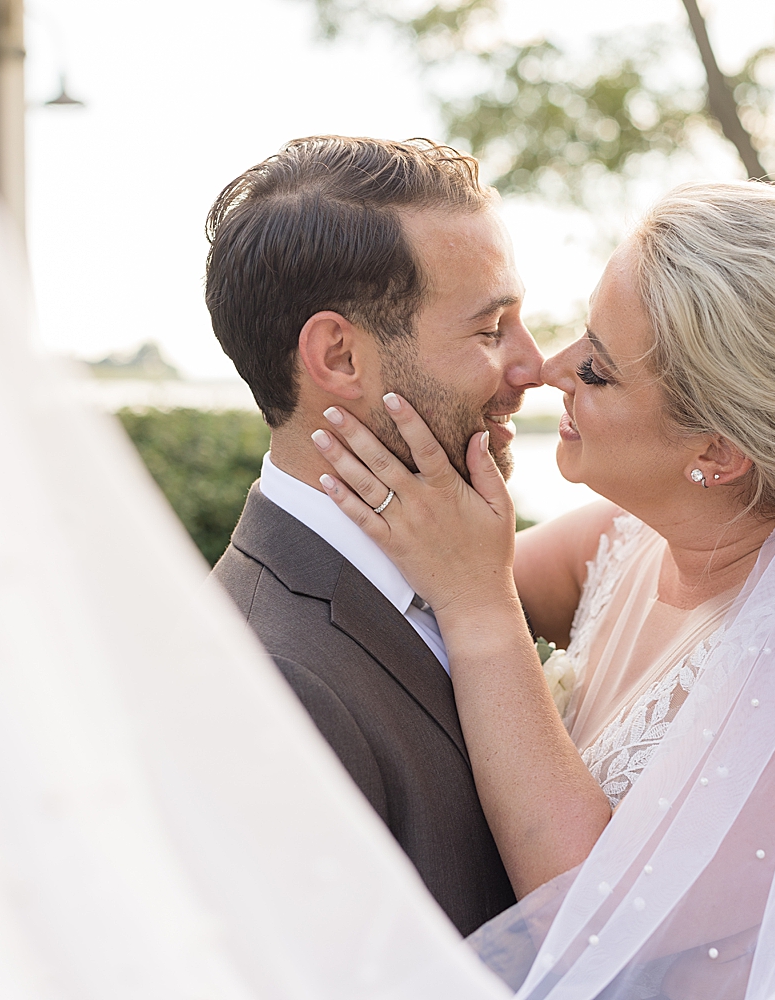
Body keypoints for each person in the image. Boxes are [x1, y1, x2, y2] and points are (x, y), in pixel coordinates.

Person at [312, 181, 775, 999]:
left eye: (597, 369)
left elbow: (594, 916)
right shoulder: (622, 540)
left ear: (718, 451)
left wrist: (482, 611)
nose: (548, 369)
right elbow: (412, 585)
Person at [202, 136, 545, 935]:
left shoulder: (463, 577)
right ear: (339, 355)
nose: (533, 366)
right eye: (492, 329)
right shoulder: (277, 683)